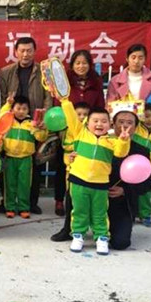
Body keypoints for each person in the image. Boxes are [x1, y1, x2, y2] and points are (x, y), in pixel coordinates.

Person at [59, 96, 131, 255]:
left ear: (110, 124)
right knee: (79, 211)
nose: (99, 124)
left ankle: (101, 238)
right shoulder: (79, 132)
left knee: (100, 213)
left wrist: (124, 140)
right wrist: (64, 101)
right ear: (87, 123)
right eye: (95, 121)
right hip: (78, 181)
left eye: (104, 121)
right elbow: (71, 116)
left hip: (100, 185)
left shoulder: (112, 141)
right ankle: (78, 236)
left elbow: (121, 153)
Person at [0, 37, 52, 214]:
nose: (25, 54)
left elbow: (48, 96)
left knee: (33, 166)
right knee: (7, 167)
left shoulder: (43, 71)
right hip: (11, 124)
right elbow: (2, 96)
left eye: (29, 50)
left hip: (34, 123)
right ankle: (7, 202)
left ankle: (31, 202)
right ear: (16, 52)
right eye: (22, 50)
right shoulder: (6, 72)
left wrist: (44, 118)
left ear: (34, 51)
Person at [107, 107, 151, 250]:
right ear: (113, 124)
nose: (125, 126)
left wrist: (124, 190)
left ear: (136, 127)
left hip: (122, 202)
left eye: (130, 123)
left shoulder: (142, 151)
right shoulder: (102, 145)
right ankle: (69, 229)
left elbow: (147, 183)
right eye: (121, 122)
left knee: (120, 243)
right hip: (97, 197)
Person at [0, 96, 47, 219]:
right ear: (12, 109)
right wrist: (8, 104)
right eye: (18, 108)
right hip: (9, 157)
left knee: (24, 184)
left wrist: (40, 128)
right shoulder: (8, 121)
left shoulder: (31, 124)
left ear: (28, 110)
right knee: (9, 184)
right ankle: (10, 207)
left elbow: (41, 137)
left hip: (26, 158)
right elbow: (1, 116)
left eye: (24, 109)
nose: (21, 111)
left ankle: (24, 207)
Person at [50, 103, 91, 242]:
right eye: (78, 114)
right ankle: (68, 229)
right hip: (71, 171)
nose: (82, 117)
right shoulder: (65, 130)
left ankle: (99, 233)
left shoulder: (89, 131)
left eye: (85, 115)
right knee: (71, 200)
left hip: (87, 172)